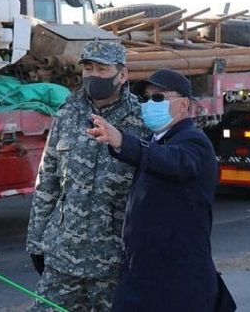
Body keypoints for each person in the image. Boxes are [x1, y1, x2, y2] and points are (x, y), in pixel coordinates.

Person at [87, 68, 236, 312]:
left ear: (183, 105)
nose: (148, 104)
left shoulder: (193, 141)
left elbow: (171, 162)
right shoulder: (155, 141)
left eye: (158, 98)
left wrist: (124, 142)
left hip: (177, 280)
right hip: (140, 275)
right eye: (145, 99)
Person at [25, 40, 147, 311]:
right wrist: (36, 242)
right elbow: (48, 181)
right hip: (64, 257)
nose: (93, 75)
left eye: (102, 69)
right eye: (88, 68)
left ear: (122, 74)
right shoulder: (68, 113)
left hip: (115, 262)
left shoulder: (141, 120)